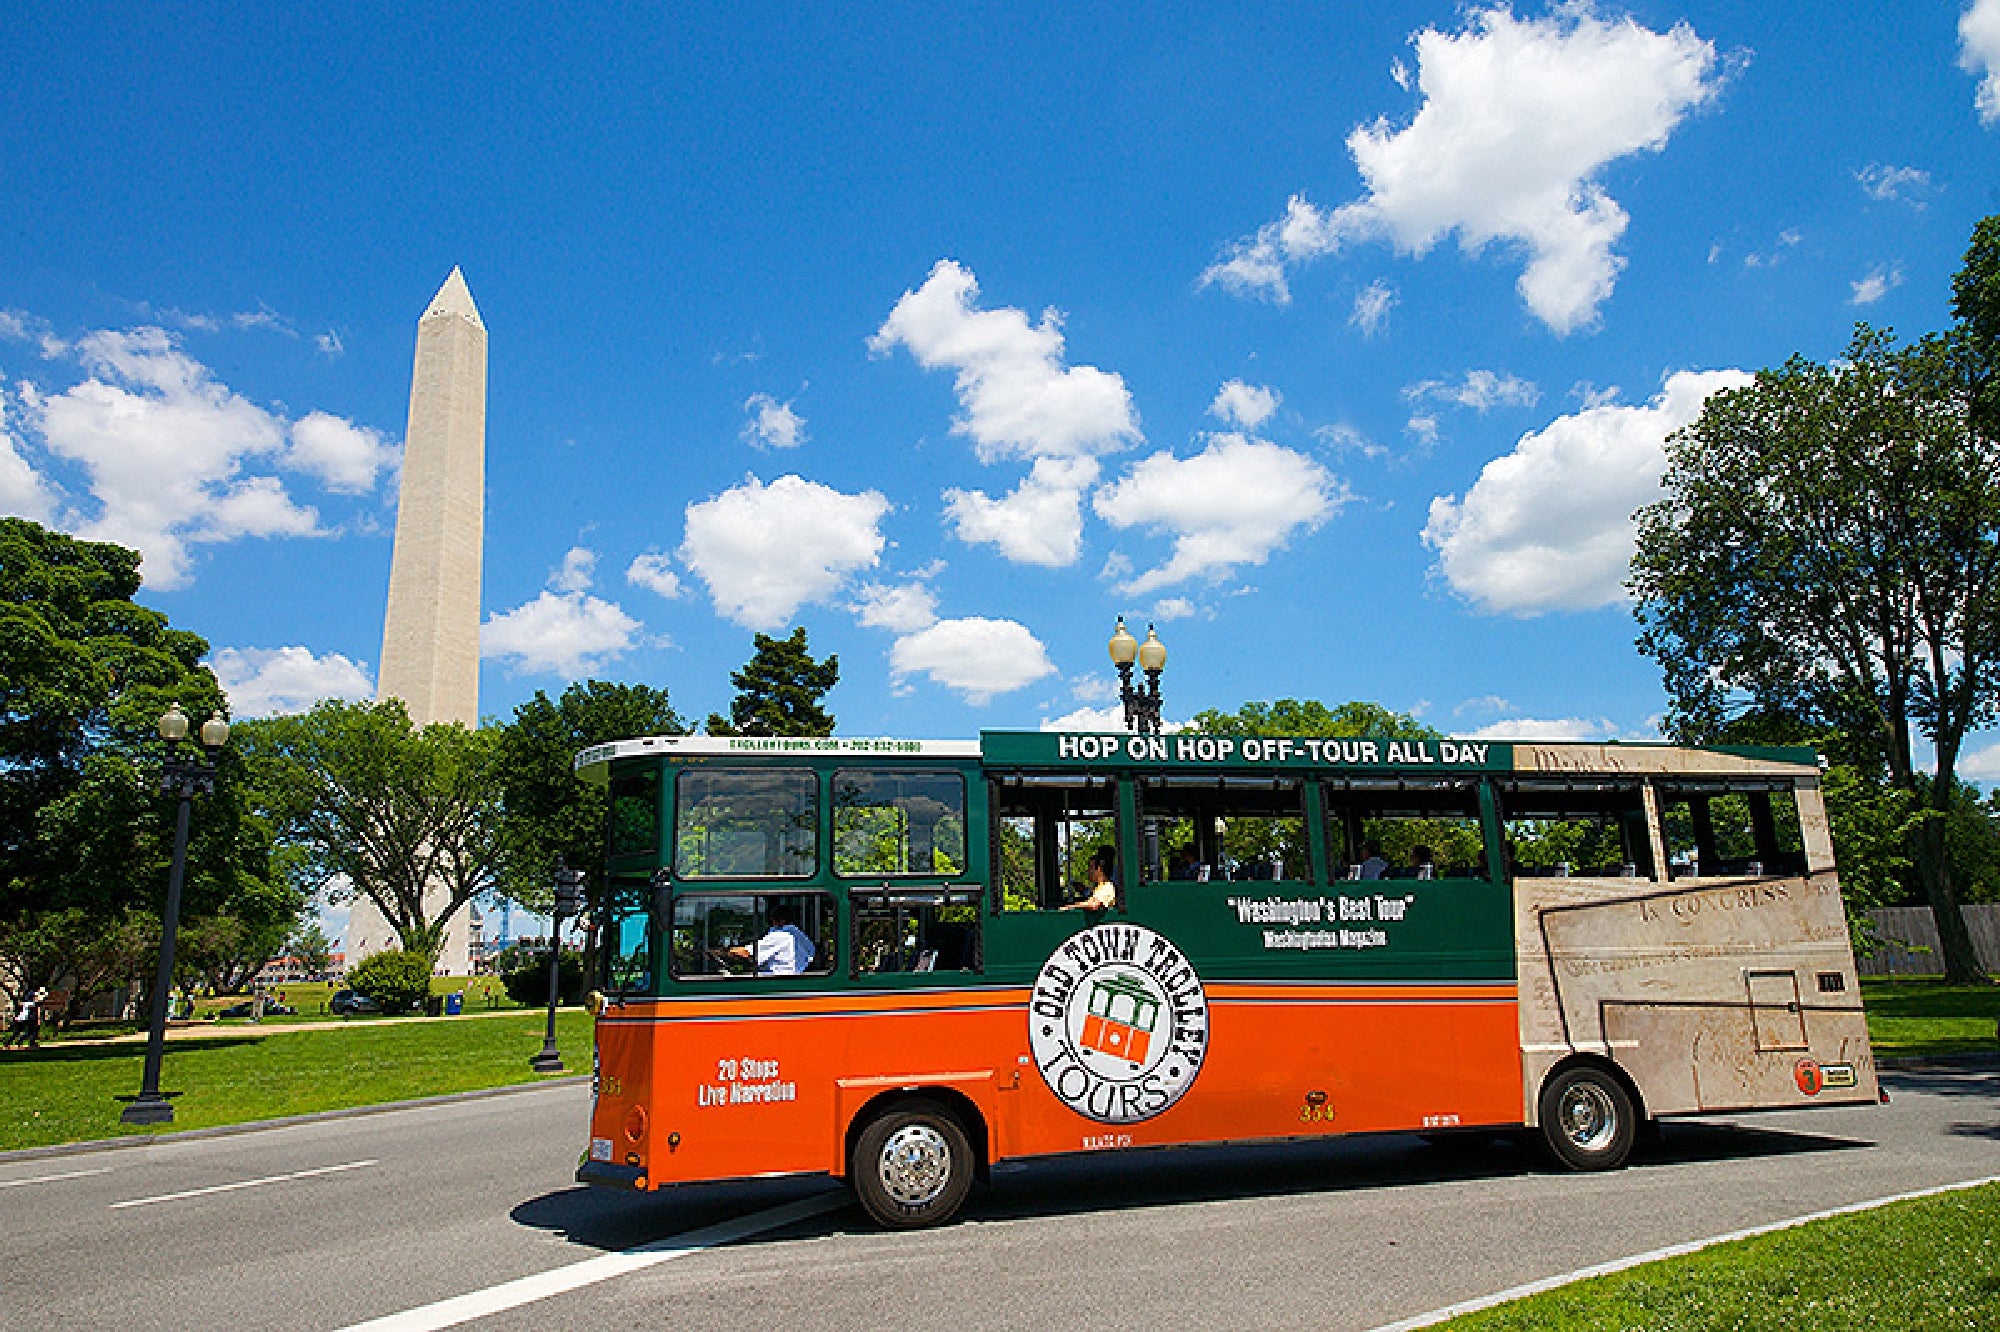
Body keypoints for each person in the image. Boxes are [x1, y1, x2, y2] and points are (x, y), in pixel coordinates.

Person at [728, 903, 816, 976]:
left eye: (772, 920)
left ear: (781, 921)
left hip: (775, 980)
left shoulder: (781, 935)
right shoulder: (801, 936)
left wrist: (727, 951)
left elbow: (748, 953)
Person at [1063, 846, 1117, 911]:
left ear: (1099, 868)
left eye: (1091, 867)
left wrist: (1070, 907)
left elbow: (1094, 905)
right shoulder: (1098, 888)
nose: (1088, 871)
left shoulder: (1107, 887)